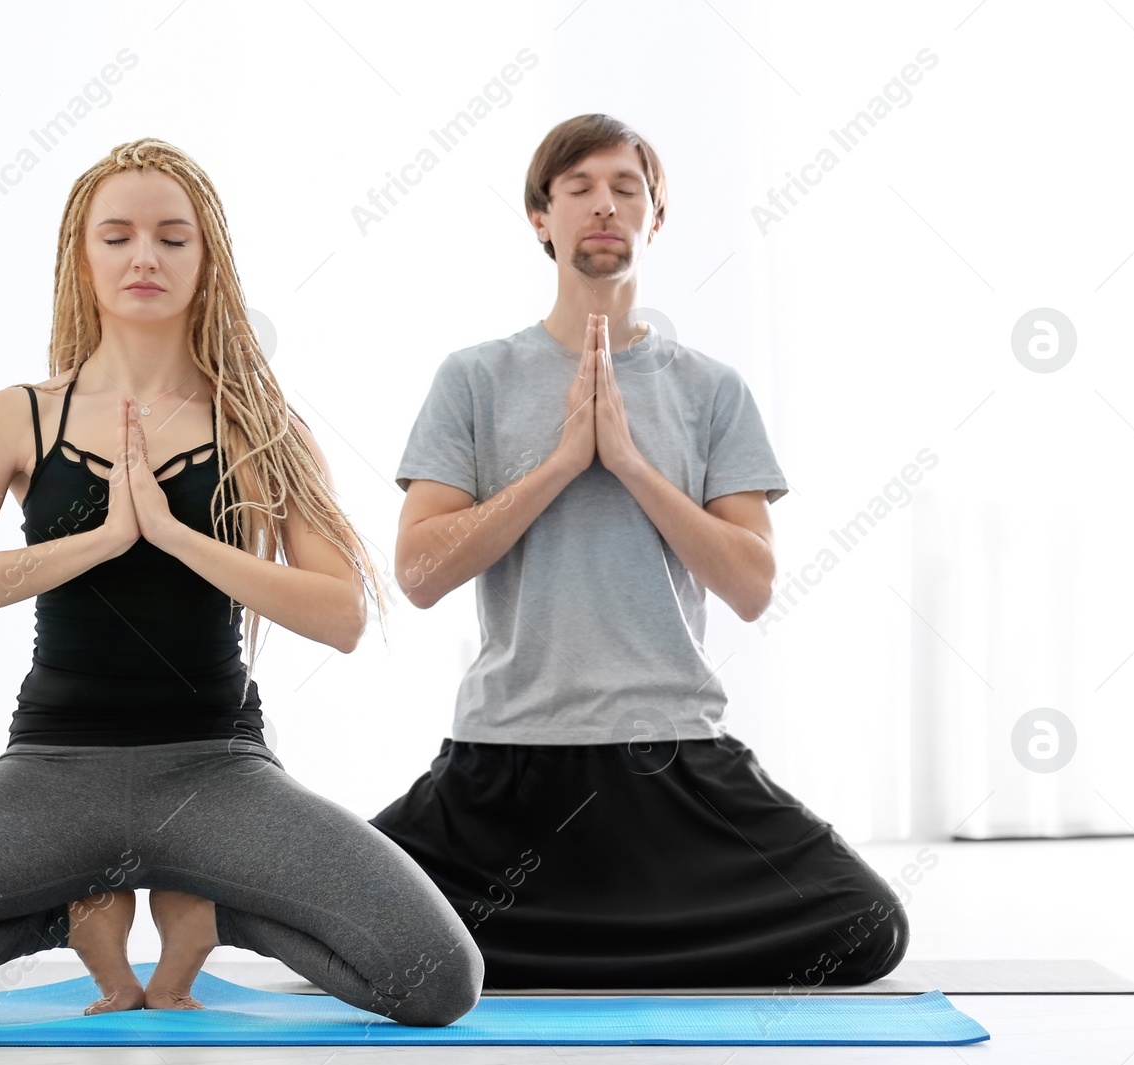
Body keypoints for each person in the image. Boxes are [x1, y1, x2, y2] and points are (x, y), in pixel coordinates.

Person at [0, 138, 482, 1028]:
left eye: (171, 237)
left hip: (219, 770)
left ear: (206, 260)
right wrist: (102, 541)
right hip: (50, 770)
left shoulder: (262, 429)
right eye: (116, 236)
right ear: (83, 257)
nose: (143, 256)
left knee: (438, 979)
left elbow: (341, 614)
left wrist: (176, 536)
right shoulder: (18, 417)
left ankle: (214, 908)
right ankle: (60, 909)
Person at [367, 114, 910, 990]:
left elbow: (751, 584)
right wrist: (557, 466)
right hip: (506, 756)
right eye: (578, 188)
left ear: (655, 220)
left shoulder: (711, 391)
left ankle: (517, 955)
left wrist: (627, 463)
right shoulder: (473, 378)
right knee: (335, 917)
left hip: (669, 750)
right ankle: (595, 948)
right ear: (540, 218)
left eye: (627, 188)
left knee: (868, 928)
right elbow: (420, 574)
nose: (604, 205)